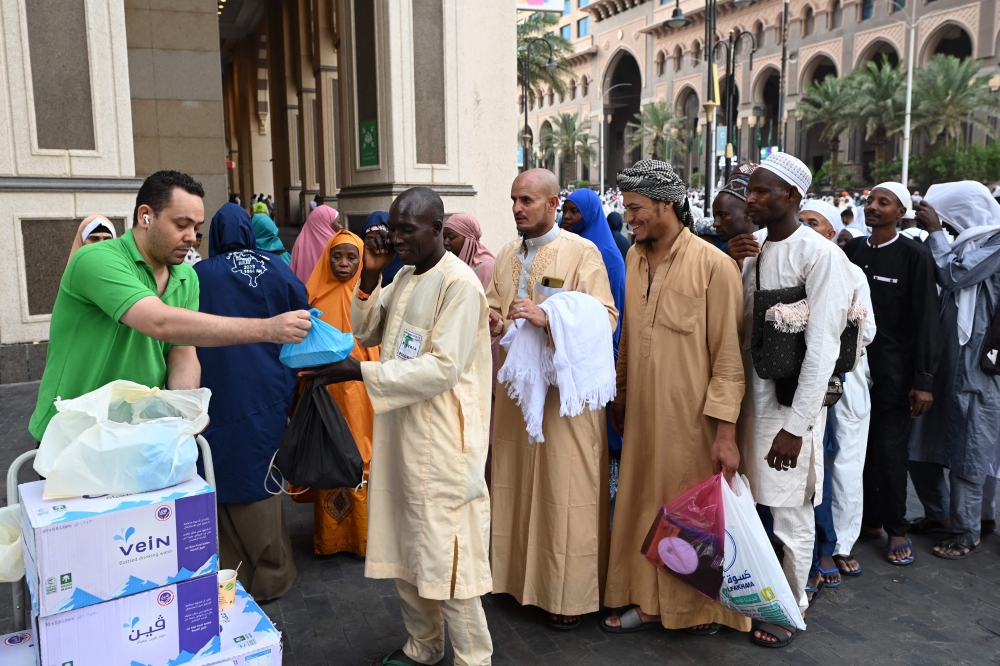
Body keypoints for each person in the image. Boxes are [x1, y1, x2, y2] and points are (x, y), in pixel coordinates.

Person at [302, 187, 493, 666]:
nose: (396, 237)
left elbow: (443, 368)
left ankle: (473, 658)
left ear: (437, 230)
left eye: (407, 229)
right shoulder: (405, 275)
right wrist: (370, 276)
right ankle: (422, 647)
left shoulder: (459, 284)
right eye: (393, 227)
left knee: (447, 558)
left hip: (444, 441)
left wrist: (358, 372)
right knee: (409, 548)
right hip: (401, 432)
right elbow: (366, 330)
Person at [28, 170, 312, 442]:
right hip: (73, 433)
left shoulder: (187, 275)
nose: (191, 237)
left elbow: (182, 350)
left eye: (197, 227)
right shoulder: (95, 259)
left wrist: (186, 404)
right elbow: (159, 322)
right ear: (146, 216)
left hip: (139, 433)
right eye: (181, 224)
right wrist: (269, 328)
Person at [602, 160, 749, 635]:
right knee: (645, 505)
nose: (630, 219)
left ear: (666, 203)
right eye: (627, 209)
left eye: (637, 209)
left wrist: (726, 434)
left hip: (693, 424)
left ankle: (693, 611)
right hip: (643, 418)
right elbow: (627, 338)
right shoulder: (632, 258)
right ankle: (647, 602)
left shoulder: (716, 265)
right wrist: (620, 398)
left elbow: (729, 359)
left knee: (688, 517)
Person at [730, 153, 854, 648]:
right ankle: (757, 595)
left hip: (789, 409)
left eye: (761, 192)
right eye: (749, 191)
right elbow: (738, 327)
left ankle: (794, 604)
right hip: (749, 401)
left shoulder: (820, 255)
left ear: (793, 199)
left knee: (792, 513)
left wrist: (796, 427)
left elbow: (823, 348)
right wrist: (735, 261)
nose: (750, 200)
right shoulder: (754, 250)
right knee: (754, 503)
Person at [488, 169, 618, 631]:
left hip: (564, 400)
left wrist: (550, 318)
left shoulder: (583, 252)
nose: (517, 208)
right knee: (514, 484)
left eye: (526, 200)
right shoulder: (506, 253)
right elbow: (497, 306)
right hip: (518, 396)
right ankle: (510, 579)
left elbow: (606, 317)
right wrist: (492, 319)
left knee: (566, 492)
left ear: (552, 203)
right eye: (513, 200)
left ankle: (569, 593)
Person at [193, 203, 307, 600]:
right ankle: (273, 575)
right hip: (264, 386)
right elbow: (301, 306)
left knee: (216, 472)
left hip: (216, 389)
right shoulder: (274, 266)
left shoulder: (198, 274)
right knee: (262, 470)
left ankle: (232, 577)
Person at [842, 183, 941, 565]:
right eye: (870, 201)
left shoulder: (915, 256)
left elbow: (927, 322)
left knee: (889, 451)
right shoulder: (852, 251)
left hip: (896, 375)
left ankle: (895, 527)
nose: (873, 207)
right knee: (855, 452)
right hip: (853, 372)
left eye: (884, 202)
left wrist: (924, 380)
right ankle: (867, 521)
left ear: (901, 213)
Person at [908, 182, 1000, 560]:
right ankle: (940, 515)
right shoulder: (964, 243)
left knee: (968, 450)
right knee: (919, 444)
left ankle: (967, 529)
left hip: (976, 370)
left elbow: (954, 275)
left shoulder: (995, 245)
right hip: (941, 364)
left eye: (947, 221)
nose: (944, 229)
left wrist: (933, 233)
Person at [798, 200, 876, 586]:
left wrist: (827, 340)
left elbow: (867, 329)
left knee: (841, 464)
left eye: (814, 223)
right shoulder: (791, 260)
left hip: (841, 381)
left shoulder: (851, 271)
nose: (806, 229)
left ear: (832, 232)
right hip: (796, 384)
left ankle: (838, 544)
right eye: (802, 222)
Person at [297, 229, 380, 557]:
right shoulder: (311, 297)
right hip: (325, 394)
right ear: (326, 258)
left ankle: (364, 540)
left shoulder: (372, 296)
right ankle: (331, 539)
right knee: (327, 452)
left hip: (362, 393)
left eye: (352, 257)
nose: (344, 264)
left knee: (361, 455)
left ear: (363, 261)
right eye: (337, 256)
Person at [561, 188, 628, 459]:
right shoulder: (561, 248)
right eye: (565, 210)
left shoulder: (608, 255)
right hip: (567, 344)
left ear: (589, 214)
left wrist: (612, 347)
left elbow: (617, 303)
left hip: (599, 345)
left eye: (574, 211)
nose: (566, 217)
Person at [713, 163, 758, 267]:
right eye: (714, 216)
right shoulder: (715, 249)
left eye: (723, 215)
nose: (715, 224)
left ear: (748, 214)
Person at [442, 214, 496, 291]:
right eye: (444, 237)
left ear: (468, 240)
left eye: (451, 237)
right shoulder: (449, 266)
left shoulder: (487, 268)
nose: (445, 242)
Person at [290, 203, 341, 282]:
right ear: (326, 224)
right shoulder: (335, 244)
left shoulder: (299, 243)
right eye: (339, 222)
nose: (341, 227)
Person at [361, 211, 405, 286]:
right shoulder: (353, 265)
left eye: (382, 239)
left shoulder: (405, 270)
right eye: (370, 238)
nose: (376, 243)